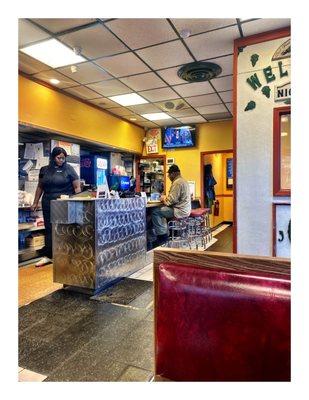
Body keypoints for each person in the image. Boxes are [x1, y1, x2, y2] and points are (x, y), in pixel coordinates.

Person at [31, 147, 81, 265]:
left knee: (64, 229)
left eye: (63, 158)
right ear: (53, 157)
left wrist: (79, 202)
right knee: (49, 229)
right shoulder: (44, 170)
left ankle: (68, 254)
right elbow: (40, 187)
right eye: (59, 158)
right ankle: (49, 256)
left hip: (64, 203)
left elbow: (77, 187)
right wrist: (35, 202)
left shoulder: (69, 169)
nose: (61, 160)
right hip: (48, 202)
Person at [151, 164, 191, 246]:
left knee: (156, 212)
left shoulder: (177, 183)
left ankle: (162, 237)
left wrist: (163, 198)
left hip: (179, 211)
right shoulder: (183, 181)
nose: (168, 177)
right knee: (162, 211)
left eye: (169, 174)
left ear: (173, 174)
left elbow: (170, 201)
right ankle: (166, 232)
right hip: (185, 210)